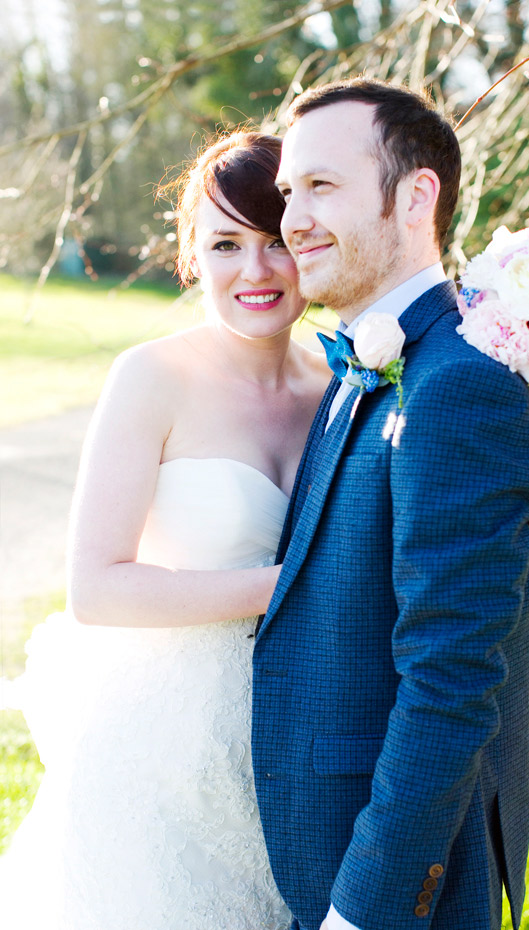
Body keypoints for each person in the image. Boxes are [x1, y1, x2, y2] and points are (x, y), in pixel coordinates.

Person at [250, 77, 529, 930]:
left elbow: (451, 681)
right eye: (290, 191)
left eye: (323, 187)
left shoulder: (459, 388)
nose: (293, 218)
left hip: (399, 884)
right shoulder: (361, 366)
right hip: (317, 846)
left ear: (416, 196)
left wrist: (364, 910)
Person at [0, 130, 330, 930]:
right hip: (162, 751)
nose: (255, 271)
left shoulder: (338, 384)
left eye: (278, 241)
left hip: (301, 745)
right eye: (225, 244)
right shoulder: (150, 378)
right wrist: (290, 586)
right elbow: (97, 588)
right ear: (191, 257)